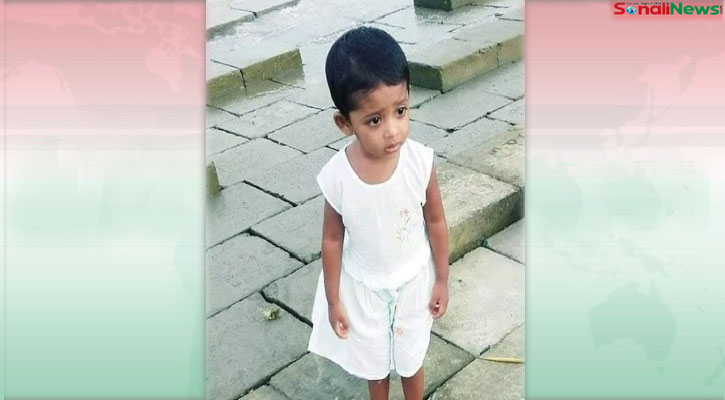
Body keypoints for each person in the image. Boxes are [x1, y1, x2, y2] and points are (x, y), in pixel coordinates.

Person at [307, 26, 450, 400]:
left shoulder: (419, 162)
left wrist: (442, 278)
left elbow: (435, 220)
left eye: (400, 111)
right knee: (374, 364)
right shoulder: (338, 177)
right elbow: (332, 240)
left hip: (414, 280)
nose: (392, 131)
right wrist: (334, 300)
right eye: (374, 120)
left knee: (411, 358)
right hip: (366, 287)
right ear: (345, 123)